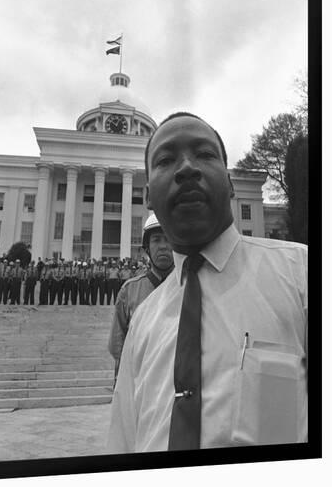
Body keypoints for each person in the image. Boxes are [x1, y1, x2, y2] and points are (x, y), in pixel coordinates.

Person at [107, 112, 307, 453]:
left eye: (204, 154)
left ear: (229, 183)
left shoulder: (301, 272)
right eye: (166, 160)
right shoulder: (143, 320)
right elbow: (124, 441)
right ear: (148, 197)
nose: (186, 168)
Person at [108, 213, 174, 384]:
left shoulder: (189, 286)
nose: (163, 246)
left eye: (168, 239)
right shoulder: (130, 290)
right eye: (156, 240)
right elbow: (117, 342)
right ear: (147, 248)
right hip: (141, 380)